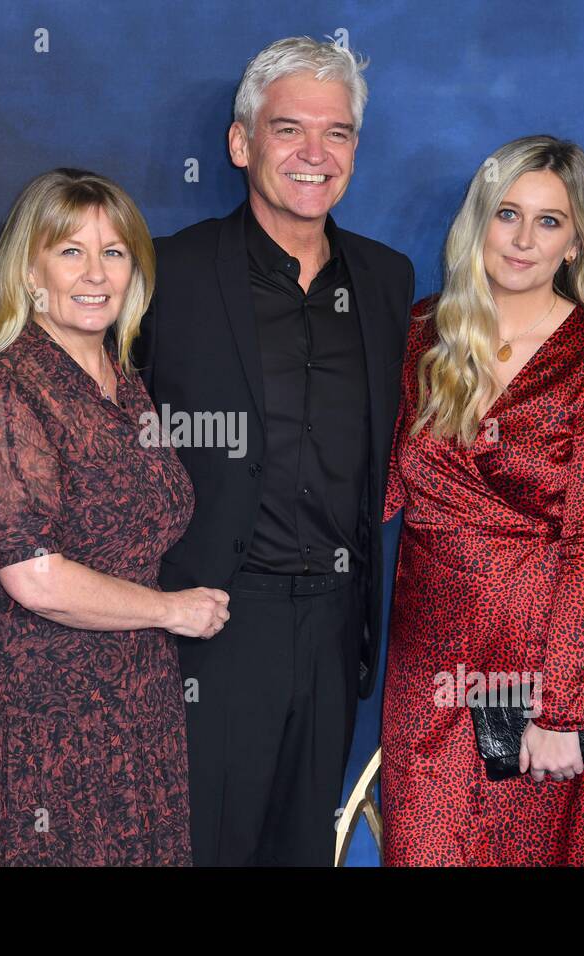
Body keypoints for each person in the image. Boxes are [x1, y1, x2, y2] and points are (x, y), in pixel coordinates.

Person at [133, 37, 414, 866]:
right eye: (289, 129)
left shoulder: (388, 280)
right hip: (211, 625)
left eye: (338, 134)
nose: (314, 154)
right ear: (240, 142)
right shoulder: (164, 273)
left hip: (336, 624)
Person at [381, 134, 584, 866]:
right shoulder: (420, 333)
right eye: (507, 214)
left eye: (549, 221)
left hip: (541, 661)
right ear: (479, 223)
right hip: (428, 667)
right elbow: (381, 489)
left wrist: (562, 710)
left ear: (576, 242)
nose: (523, 239)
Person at [0, 168, 228, 866]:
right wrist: (170, 611)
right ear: (29, 269)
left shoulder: (122, 380)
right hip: (39, 702)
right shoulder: (7, 389)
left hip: (134, 695)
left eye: (115, 251)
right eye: (71, 250)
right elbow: (35, 578)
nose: (96, 272)